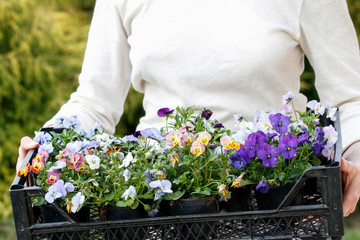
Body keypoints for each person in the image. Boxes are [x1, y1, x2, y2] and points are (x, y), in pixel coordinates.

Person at [17, 0, 360, 217]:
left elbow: (351, 98)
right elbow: (94, 101)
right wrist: (47, 143)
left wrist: (356, 157)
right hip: (163, 200)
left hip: (273, 200)